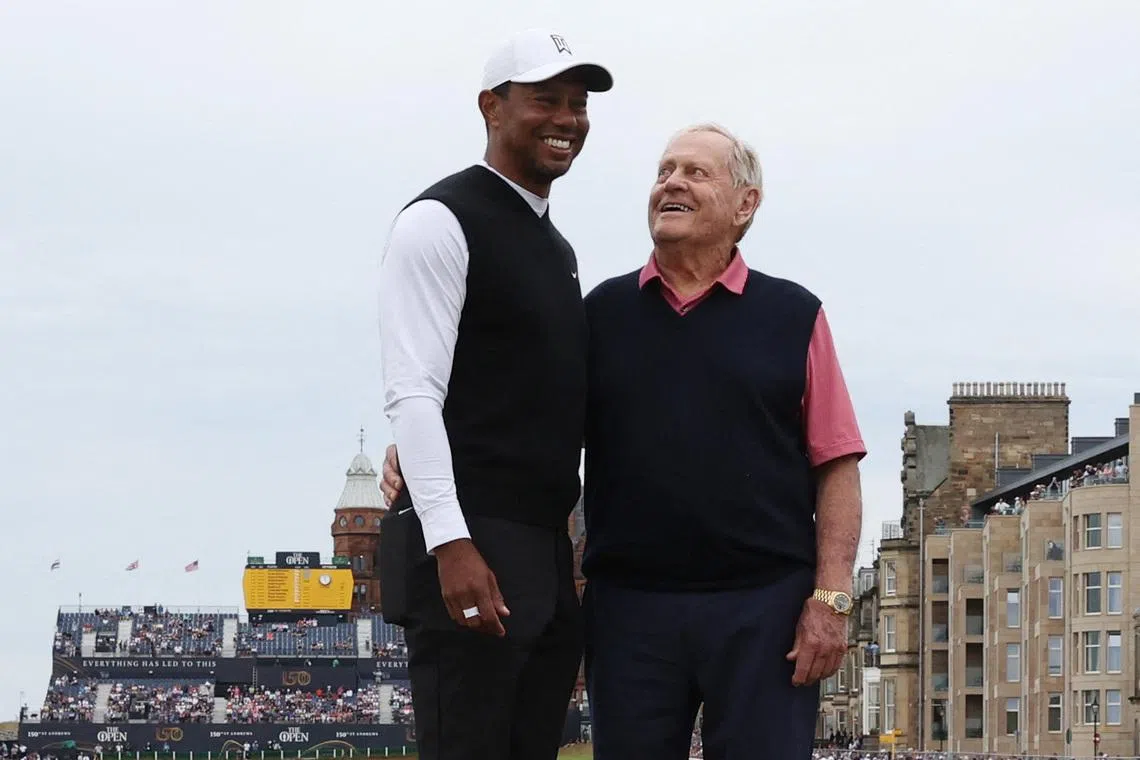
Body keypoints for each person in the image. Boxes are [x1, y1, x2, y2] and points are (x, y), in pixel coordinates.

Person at [381, 123, 863, 760]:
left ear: (745, 204)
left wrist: (831, 598)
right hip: (631, 613)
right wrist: (421, 445)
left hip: (764, 609)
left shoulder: (795, 315)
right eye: (665, 171)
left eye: (696, 172)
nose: (672, 183)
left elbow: (837, 461)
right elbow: (527, 415)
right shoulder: (600, 315)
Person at [376, 28, 613, 760]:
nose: (567, 119)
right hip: (472, 537)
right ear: (492, 106)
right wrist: (450, 542)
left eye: (578, 104)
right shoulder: (440, 220)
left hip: (543, 545)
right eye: (546, 99)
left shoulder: (556, 248)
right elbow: (413, 392)